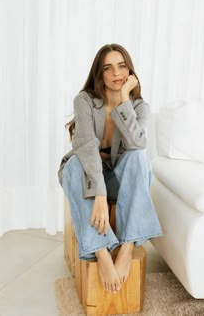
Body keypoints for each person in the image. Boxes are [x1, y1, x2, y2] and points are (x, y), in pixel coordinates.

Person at [58, 43, 163, 294]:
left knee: (138, 157)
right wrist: (101, 195)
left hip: (119, 177)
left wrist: (125, 100)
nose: (117, 73)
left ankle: (127, 247)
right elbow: (84, 145)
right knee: (74, 164)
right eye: (108, 68)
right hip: (88, 174)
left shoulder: (139, 107)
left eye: (122, 66)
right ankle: (101, 251)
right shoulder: (84, 101)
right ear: (100, 75)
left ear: (130, 71)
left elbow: (137, 144)